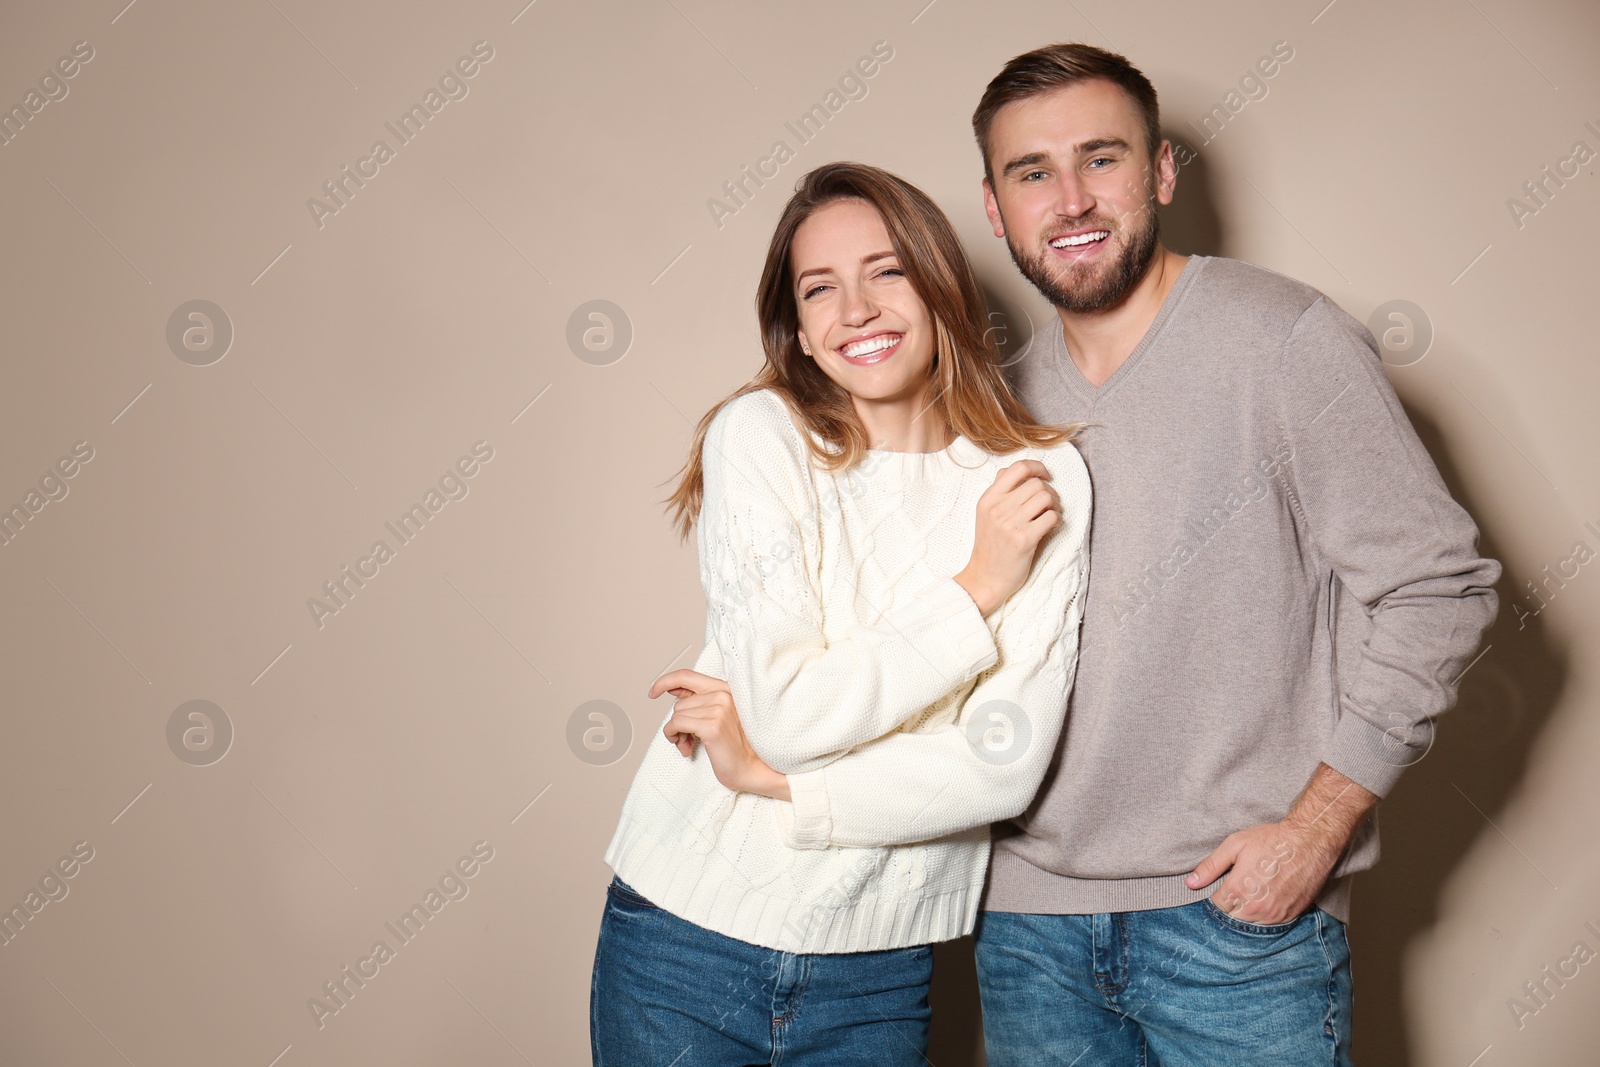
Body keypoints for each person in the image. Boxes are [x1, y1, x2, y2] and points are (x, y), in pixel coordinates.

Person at [962, 43, 1501, 1065]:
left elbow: (1439, 587)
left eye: (1101, 159)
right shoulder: (992, 400)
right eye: (1031, 173)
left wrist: (1316, 826)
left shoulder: (1282, 339)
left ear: (1161, 171)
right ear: (995, 207)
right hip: (1024, 929)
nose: (1070, 198)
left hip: (1234, 921)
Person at [590, 161, 1093, 1065]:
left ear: (941, 286)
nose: (855, 308)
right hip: (684, 936)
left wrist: (781, 784)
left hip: (878, 967)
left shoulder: (1042, 480)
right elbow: (787, 716)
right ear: (802, 333)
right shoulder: (761, 436)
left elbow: (1000, 765)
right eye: (820, 288)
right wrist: (976, 587)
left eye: (887, 270)